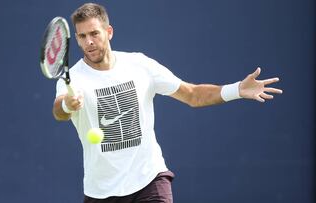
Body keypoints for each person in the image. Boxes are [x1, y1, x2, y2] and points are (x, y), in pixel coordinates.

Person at [52, 3, 283, 203]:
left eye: (94, 33)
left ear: (109, 31)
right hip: (101, 191)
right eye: (82, 36)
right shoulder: (72, 78)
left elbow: (192, 95)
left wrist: (237, 90)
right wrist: (67, 106)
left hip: (149, 179)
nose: (89, 42)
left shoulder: (140, 65)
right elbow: (59, 110)